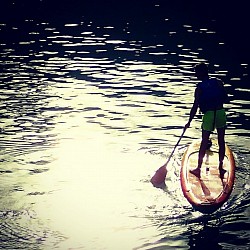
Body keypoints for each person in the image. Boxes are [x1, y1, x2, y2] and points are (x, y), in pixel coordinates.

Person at [185, 63, 229, 179]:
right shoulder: (218, 82)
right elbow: (226, 97)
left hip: (209, 115)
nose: (195, 74)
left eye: (196, 72)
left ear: (201, 73)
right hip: (220, 112)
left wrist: (189, 121)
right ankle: (221, 168)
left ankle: (198, 169)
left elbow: (195, 106)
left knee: (204, 141)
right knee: (221, 140)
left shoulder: (199, 88)